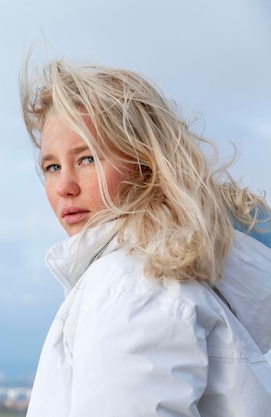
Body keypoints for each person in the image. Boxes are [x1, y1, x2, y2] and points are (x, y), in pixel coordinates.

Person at [20, 59, 271, 416]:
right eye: (52, 167)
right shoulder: (157, 278)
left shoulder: (130, 286)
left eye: (88, 158)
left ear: (147, 165)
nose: (64, 187)